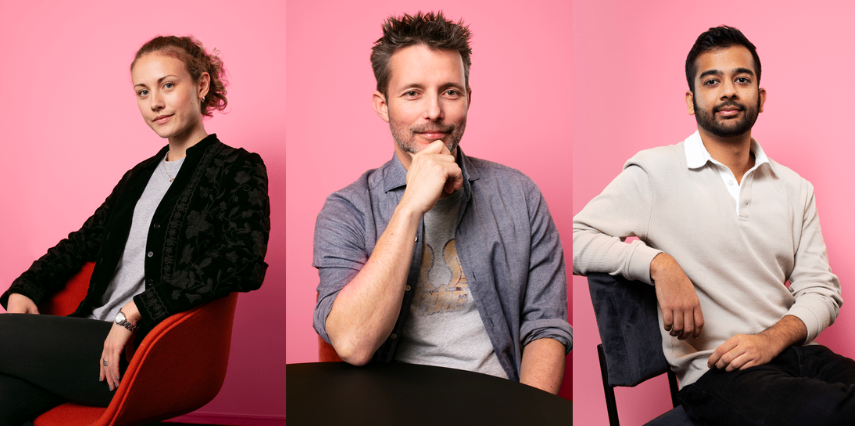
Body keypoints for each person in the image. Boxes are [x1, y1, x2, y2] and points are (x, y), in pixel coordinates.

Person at [573, 25, 855, 425]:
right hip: (718, 372)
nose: (728, 91)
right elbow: (575, 238)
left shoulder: (796, 188)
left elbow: (822, 290)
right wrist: (659, 265)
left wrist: (770, 340)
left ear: (760, 96)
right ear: (692, 100)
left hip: (792, 354)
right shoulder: (655, 172)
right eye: (712, 81)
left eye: (742, 79)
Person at [0, 35, 270, 425]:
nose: (155, 102)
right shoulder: (138, 177)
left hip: (145, 351)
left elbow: (241, 259)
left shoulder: (237, 168)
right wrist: (28, 286)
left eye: (168, 85)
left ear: (202, 84)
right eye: (143, 92)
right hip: (85, 338)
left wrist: (135, 312)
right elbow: (83, 241)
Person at [312, 11, 571, 394]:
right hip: (390, 410)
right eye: (412, 93)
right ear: (382, 105)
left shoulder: (520, 195)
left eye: (450, 91)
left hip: (501, 406)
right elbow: (351, 342)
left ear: (468, 98)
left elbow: (545, 326)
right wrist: (410, 207)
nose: (434, 111)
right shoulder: (346, 210)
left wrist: (529, 414)